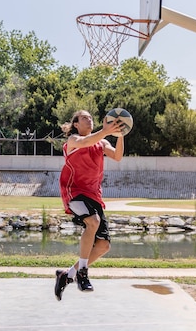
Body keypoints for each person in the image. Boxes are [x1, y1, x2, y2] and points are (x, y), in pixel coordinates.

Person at [54, 109, 125, 301]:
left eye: (91, 118)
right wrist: (106, 130)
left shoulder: (102, 142)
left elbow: (117, 156)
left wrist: (120, 134)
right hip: (74, 192)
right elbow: (86, 142)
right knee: (92, 222)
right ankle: (82, 274)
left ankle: (67, 275)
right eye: (85, 118)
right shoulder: (73, 141)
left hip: (94, 195)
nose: (89, 120)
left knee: (103, 246)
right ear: (76, 124)